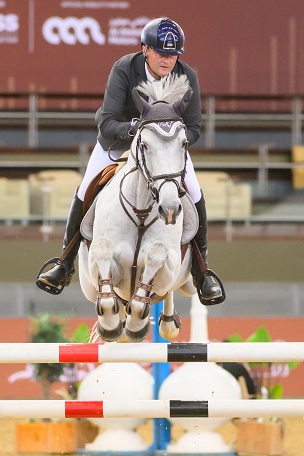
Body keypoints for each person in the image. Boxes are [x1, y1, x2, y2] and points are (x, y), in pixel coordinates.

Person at [35, 17, 225, 305]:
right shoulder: (124, 68)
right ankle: (65, 261)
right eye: (160, 53)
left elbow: (195, 129)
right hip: (118, 143)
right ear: (145, 49)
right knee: (85, 188)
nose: (167, 60)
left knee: (195, 192)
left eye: (173, 54)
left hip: (165, 150)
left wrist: (169, 137)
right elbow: (108, 123)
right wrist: (140, 129)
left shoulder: (187, 76)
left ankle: (202, 271)